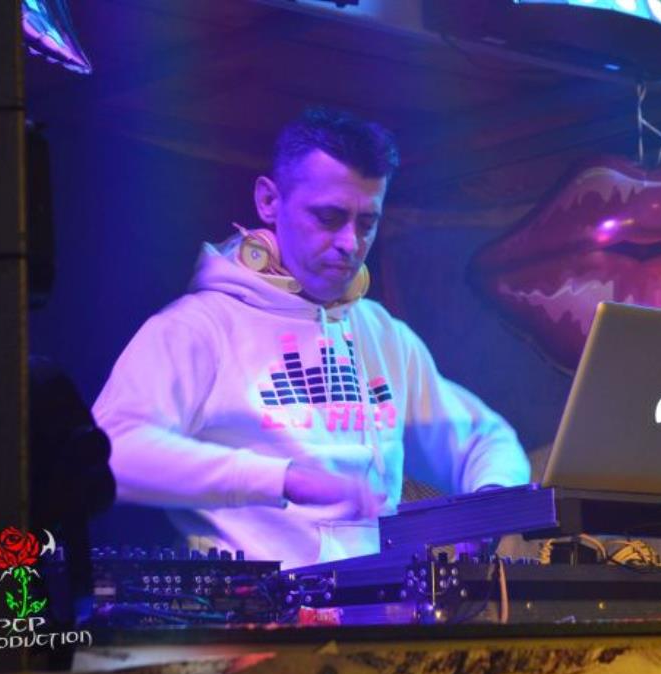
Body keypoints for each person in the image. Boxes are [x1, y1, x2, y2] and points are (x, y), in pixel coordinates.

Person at [93, 107, 530, 569]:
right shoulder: (200, 327)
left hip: (386, 604)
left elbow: (485, 438)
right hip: (253, 606)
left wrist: (487, 511)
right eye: (328, 217)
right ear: (268, 201)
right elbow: (111, 451)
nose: (350, 244)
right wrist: (283, 479)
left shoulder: (383, 334)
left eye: (366, 223)